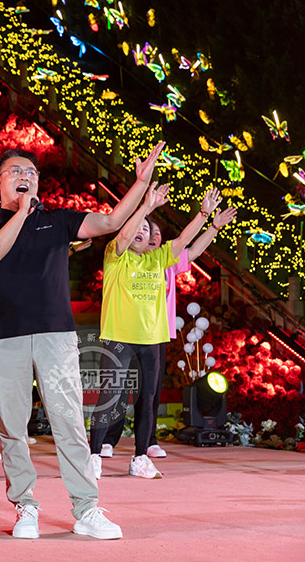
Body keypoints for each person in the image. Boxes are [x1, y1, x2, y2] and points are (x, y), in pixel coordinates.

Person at [0, 143, 165, 540]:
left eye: (31, 173)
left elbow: (110, 221)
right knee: (12, 428)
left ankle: (86, 508)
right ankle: (25, 506)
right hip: (6, 337)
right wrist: (21, 214)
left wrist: (141, 184)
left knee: (69, 422)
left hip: (56, 336)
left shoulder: (57, 220)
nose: (25, 177)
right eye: (16, 171)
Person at [98, 194, 237, 461]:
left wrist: (213, 225)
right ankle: (107, 440)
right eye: (146, 230)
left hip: (155, 335)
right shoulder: (123, 259)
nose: (152, 236)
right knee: (117, 390)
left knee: (149, 393)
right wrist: (147, 206)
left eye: (156, 233)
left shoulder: (166, 262)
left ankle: (148, 441)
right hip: (124, 333)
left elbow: (192, 249)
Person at [89, 183, 210, 479]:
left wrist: (204, 215)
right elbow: (124, 236)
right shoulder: (115, 256)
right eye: (137, 227)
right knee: (109, 395)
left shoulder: (157, 259)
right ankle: (93, 456)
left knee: (147, 399)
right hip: (119, 338)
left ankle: (140, 457)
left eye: (147, 229)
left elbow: (184, 241)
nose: (141, 232)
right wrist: (147, 206)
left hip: (150, 340)